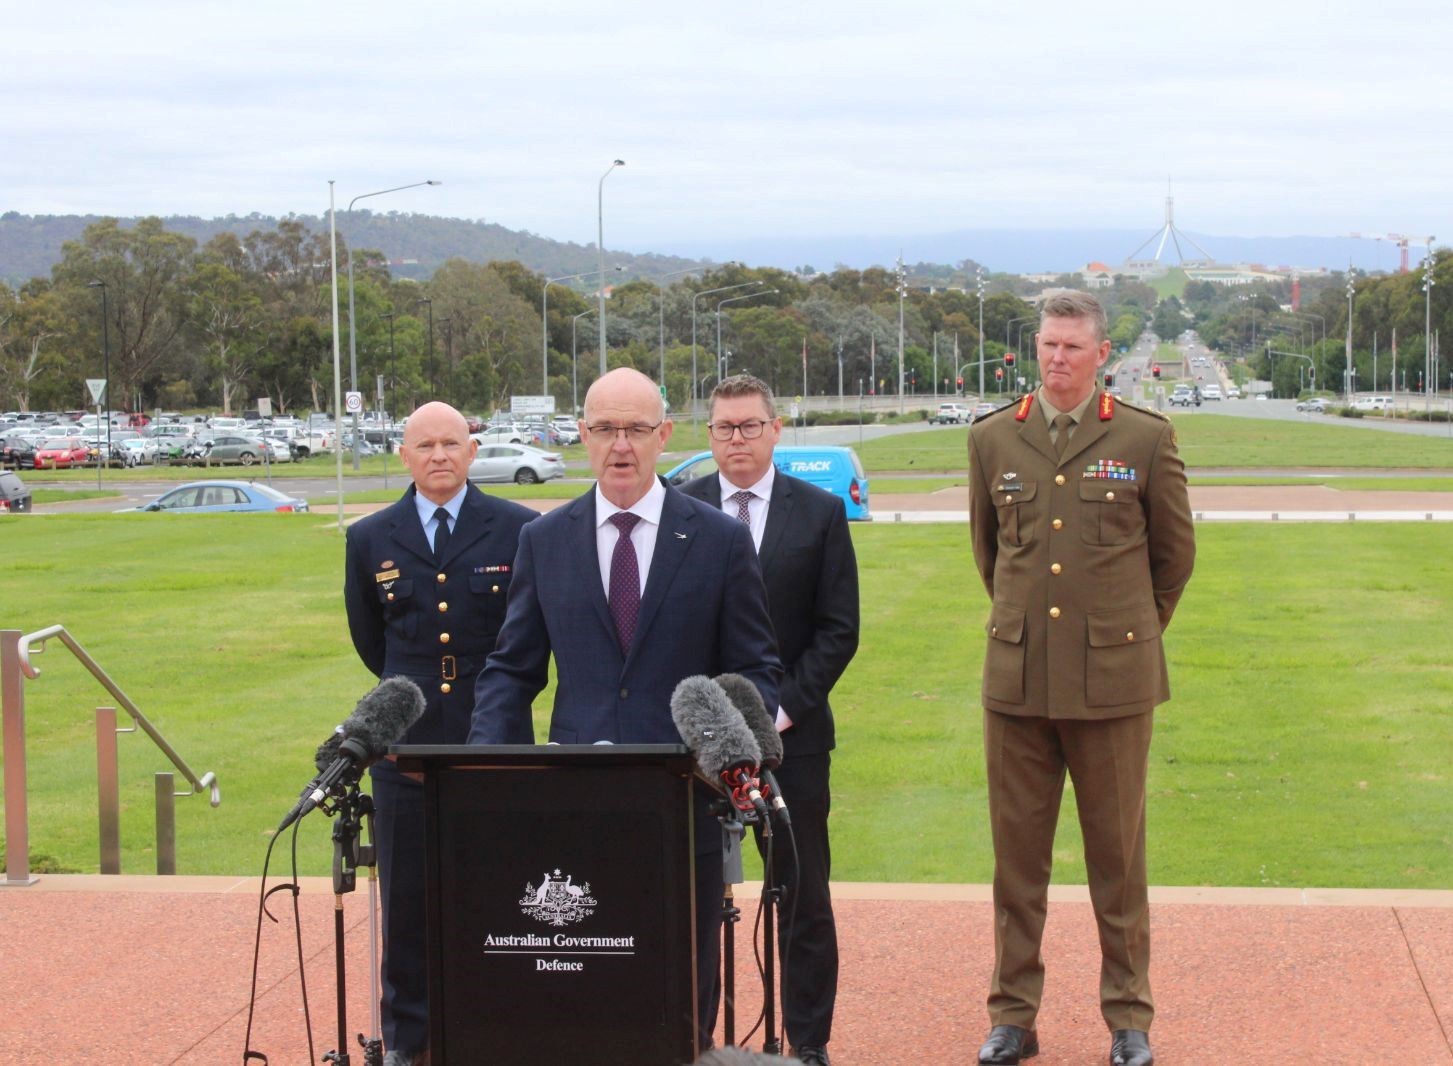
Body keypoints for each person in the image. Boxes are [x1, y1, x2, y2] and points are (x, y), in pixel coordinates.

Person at [468, 367, 782, 1049]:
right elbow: (511, 670)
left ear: (663, 436)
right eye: (605, 429)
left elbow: (755, 670)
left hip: (684, 805)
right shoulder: (543, 540)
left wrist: (732, 745)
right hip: (574, 806)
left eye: (635, 430)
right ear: (581, 436)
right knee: (581, 981)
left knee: (679, 989)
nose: (620, 445)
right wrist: (486, 775)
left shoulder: (718, 541)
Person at [966, 291, 1195, 1066]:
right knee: (1015, 863)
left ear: (1102, 355)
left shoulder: (1143, 436)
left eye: (1071, 347)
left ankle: (1128, 1020)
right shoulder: (995, 438)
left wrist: (1120, 638)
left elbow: (1172, 560)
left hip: (1112, 688)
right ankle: (1011, 1016)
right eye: (1046, 345)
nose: (1056, 359)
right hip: (1019, 683)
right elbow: (990, 554)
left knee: (1117, 862)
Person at [344, 401, 537, 1066]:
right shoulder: (370, 536)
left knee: (504, 888)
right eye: (424, 445)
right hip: (408, 737)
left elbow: (528, 637)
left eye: (451, 443)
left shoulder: (517, 528)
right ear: (403, 455)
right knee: (406, 898)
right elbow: (373, 642)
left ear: (472, 451)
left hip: (497, 731)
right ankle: (409, 1040)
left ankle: (501, 1026)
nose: (438, 456)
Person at [681, 375, 859, 1066]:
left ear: (775, 429)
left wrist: (776, 713)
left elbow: (837, 630)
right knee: (689, 894)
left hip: (794, 742)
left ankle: (808, 1042)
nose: (737, 440)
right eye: (724, 428)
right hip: (694, 745)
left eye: (749, 426)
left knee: (800, 894)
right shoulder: (681, 508)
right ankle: (687, 1035)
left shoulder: (816, 512)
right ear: (709, 435)